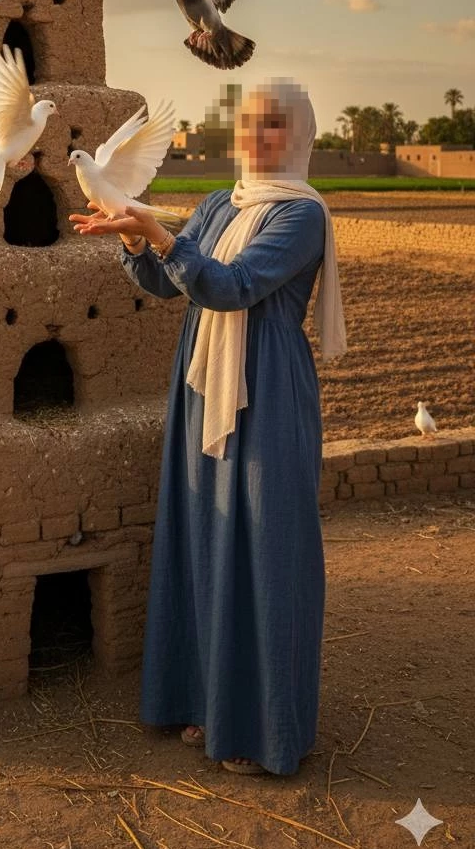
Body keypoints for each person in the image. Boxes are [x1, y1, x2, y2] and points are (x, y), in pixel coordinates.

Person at [69, 78, 346, 776]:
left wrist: (158, 232)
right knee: (205, 533)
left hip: (266, 387)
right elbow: (171, 282)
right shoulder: (223, 203)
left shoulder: (302, 215)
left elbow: (231, 286)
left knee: (265, 543)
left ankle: (261, 728)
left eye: (273, 124)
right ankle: (205, 700)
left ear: (299, 134)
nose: (256, 135)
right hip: (203, 384)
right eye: (248, 122)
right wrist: (136, 241)